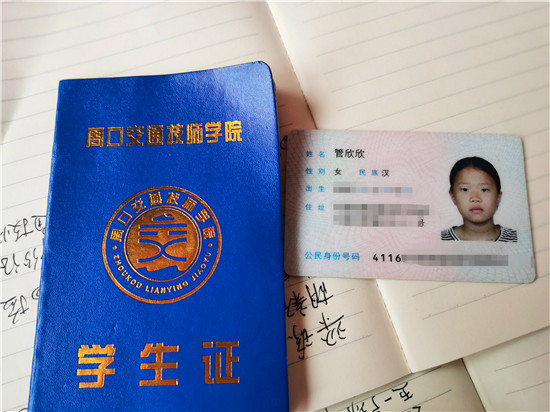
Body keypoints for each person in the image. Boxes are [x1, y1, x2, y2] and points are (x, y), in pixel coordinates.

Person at [441, 156, 517, 242]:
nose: (475, 198)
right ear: (453, 197)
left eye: (484, 189)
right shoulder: (440, 239)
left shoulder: (516, 238)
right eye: (465, 189)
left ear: (498, 197)